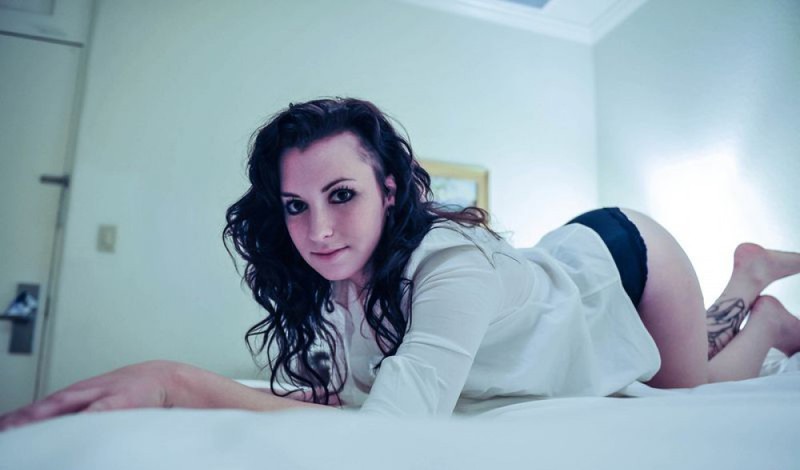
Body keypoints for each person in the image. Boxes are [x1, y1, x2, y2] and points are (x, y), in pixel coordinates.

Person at [2, 98, 800, 428]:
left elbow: (392, 431)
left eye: (341, 195)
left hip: (629, 257)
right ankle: (747, 277)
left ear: (389, 188)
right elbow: (357, 391)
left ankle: (762, 313)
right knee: (674, 356)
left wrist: (178, 383)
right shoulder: (340, 276)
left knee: (686, 390)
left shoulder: (447, 267)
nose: (317, 231)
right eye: (295, 205)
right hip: (557, 264)